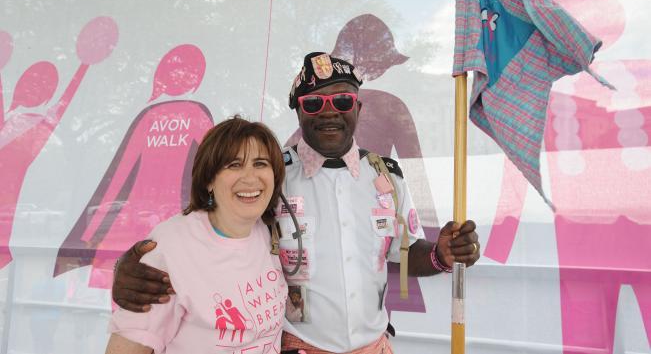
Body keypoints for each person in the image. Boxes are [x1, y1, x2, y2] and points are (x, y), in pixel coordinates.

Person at [112, 53, 481, 354]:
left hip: (375, 346)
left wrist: (441, 255)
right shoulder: (270, 177)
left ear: (358, 107)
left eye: (341, 100)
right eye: (313, 103)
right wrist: (133, 270)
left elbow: (402, 254)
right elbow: (209, 234)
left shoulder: (387, 176)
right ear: (299, 112)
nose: (329, 111)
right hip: (298, 347)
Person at [105, 117, 288, 354]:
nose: (250, 177)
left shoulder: (267, 229)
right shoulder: (171, 245)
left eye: (260, 163)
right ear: (209, 179)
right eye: (234, 164)